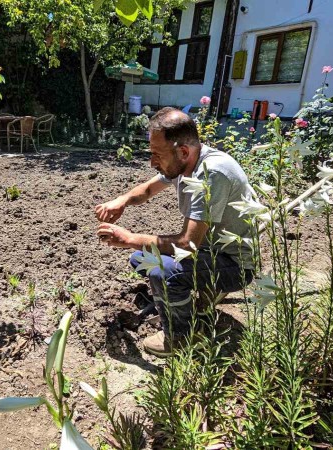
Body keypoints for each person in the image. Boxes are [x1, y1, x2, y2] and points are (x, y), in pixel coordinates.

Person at [95, 107, 254, 357]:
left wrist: (130, 238)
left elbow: (188, 244)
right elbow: (149, 189)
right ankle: (197, 297)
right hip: (209, 251)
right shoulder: (186, 163)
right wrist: (122, 200)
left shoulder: (211, 174)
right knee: (141, 258)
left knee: (162, 271)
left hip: (234, 264)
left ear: (183, 151)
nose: (152, 162)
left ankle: (183, 335)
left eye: (157, 155)